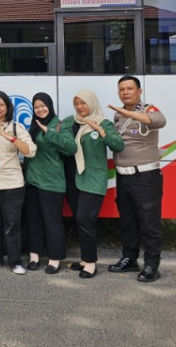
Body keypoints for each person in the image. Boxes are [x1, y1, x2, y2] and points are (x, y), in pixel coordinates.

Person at [107, 75, 167, 282]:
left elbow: (160, 121)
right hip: (124, 178)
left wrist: (127, 112)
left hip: (146, 177)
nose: (125, 92)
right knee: (128, 222)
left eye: (129, 88)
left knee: (149, 224)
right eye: (121, 89)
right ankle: (129, 259)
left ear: (139, 91)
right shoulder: (117, 117)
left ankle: (151, 265)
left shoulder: (149, 109)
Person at [61, 90, 124, 279]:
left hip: (92, 179)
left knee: (85, 219)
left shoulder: (104, 123)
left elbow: (118, 145)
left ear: (92, 103)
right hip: (73, 179)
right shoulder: (69, 121)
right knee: (80, 221)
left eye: (83, 103)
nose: (80, 107)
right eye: (77, 103)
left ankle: (90, 263)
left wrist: (98, 129)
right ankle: (84, 258)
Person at [0, 91, 36, 275]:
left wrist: (10, 137)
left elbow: (30, 151)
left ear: (7, 107)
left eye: (1, 104)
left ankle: (15, 261)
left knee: (12, 225)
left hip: (11, 184)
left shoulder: (17, 127)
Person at [25, 92, 77, 275]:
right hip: (32, 180)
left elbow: (71, 148)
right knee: (33, 220)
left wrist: (50, 134)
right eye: (36, 107)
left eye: (43, 106)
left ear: (50, 106)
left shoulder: (59, 125)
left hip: (52, 182)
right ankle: (34, 256)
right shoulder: (33, 125)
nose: (40, 109)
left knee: (52, 221)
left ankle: (54, 259)